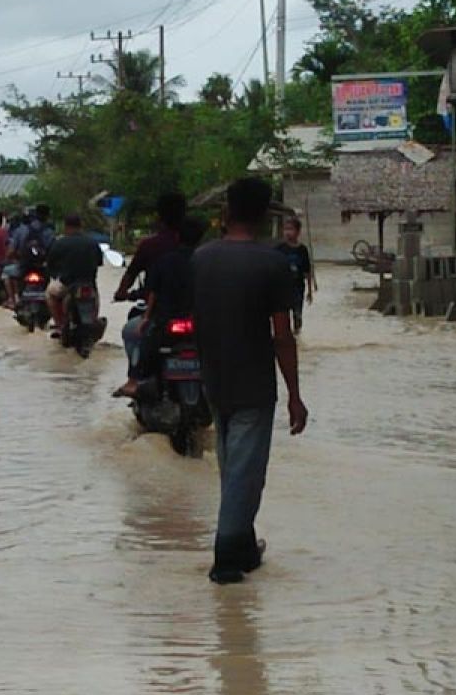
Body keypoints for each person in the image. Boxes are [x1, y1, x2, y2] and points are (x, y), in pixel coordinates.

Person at [192, 178, 308, 585]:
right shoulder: (271, 264)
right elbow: (282, 334)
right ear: (263, 216)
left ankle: (243, 545)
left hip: (214, 380)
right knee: (246, 470)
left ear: (226, 212)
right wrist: (295, 394)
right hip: (255, 384)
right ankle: (226, 554)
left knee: (231, 465)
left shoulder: (201, 259)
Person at [113, 218, 204, 397]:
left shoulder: (165, 261)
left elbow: (152, 292)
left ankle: (133, 381)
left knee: (133, 333)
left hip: (165, 320)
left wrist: (146, 318)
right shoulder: (207, 260)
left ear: (177, 236)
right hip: (200, 321)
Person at [116, 192, 187, 393]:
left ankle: (134, 380)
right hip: (194, 312)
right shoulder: (195, 248)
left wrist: (121, 292)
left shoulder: (151, 246)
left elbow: (131, 274)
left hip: (161, 313)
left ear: (159, 216)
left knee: (131, 332)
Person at [45, 214, 103, 336]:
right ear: (81, 225)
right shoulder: (92, 242)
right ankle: (93, 321)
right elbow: (99, 262)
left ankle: (59, 325)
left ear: (66, 226)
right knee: (95, 298)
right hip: (89, 283)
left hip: (67, 284)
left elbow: (50, 264)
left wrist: (55, 274)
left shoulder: (60, 243)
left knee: (50, 294)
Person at [2, 205, 54, 308]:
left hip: (24, 267)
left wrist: (13, 258)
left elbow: (11, 251)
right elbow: (53, 251)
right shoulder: (49, 232)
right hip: (43, 268)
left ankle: (13, 300)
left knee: (6, 273)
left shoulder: (21, 231)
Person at [276, 217, 316, 334]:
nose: (287, 232)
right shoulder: (279, 249)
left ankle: (297, 335)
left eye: (291, 229)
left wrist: (310, 291)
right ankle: (286, 335)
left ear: (298, 232)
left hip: (298, 288)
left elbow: (307, 271)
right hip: (282, 287)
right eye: (285, 229)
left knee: (297, 313)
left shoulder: (302, 250)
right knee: (283, 314)